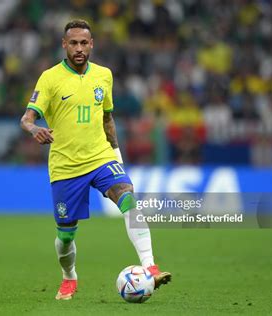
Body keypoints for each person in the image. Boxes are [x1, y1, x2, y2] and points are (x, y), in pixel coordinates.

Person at [20, 19, 171, 300]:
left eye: (84, 43)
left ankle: (150, 267)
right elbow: (26, 119)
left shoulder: (104, 75)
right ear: (64, 45)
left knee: (128, 198)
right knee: (65, 238)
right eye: (73, 43)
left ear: (92, 44)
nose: (79, 48)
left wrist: (117, 156)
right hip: (65, 167)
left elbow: (107, 118)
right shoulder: (50, 78)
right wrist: (34, 129)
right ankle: (69, 276)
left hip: (101, 157)